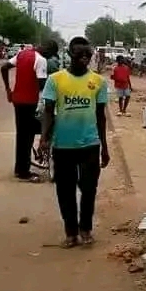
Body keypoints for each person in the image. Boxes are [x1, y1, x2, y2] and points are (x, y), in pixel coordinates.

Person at [38, 37, 110, 248]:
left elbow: (101, 116)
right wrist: (44, 138)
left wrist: (104, 148)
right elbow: (49, 112)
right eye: (80, 54)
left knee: (89, 189)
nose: (85, 57)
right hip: (62, 146)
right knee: (65, 190)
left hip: (90, 144)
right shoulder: (55, 80)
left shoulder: (98, 82)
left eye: (88, 54)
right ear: (70, 54)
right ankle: (71, 232)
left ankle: (85, 228)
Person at [1, 40, 57, 181]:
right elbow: (43, 85)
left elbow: (4, 68)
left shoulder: (22, 54)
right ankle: (24, 172)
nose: (50, 57)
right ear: (48, 51)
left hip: (18, 100)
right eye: (50, 55)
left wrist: (8, 89)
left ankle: (20, 168)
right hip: (29, 102)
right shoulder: (41, 59)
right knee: (30, 134)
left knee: (22, 135)